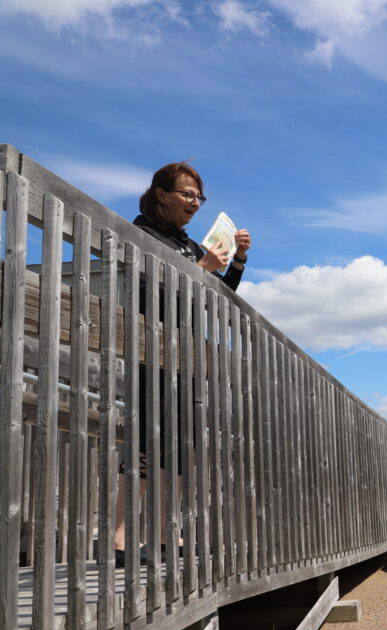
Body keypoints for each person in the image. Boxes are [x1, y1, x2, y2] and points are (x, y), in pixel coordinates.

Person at [115, 161, 252, 567]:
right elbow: (146, 288)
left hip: (185, 357)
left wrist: (238, 260)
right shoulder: (141, 233)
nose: (195, 202)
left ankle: (161, 536)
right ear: (162, 194)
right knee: (144, 441)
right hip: (149, 348)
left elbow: (217, 296)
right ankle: (121, 539)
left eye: (199, 197)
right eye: (187, 194)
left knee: (177, 444)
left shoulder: (190, 245)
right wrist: (202, 268)